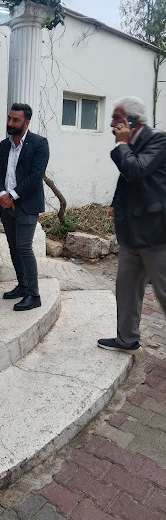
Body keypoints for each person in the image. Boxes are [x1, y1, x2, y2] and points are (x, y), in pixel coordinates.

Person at [98, 97, 166, 353]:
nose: (111, 124)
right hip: (131, 234)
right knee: (126, 291)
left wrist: (122, 145)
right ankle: (126, 339)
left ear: (132, 120)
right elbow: (126, 179)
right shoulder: (130, 145)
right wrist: (116, 203)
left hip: (156, 235)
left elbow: (136, 170)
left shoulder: (158, 140)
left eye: (116, 118)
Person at [0, 103, 49, 311]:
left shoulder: (39, 143)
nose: (10, 123)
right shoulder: (4, 145)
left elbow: (36, 176)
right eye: (9, 118)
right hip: (6, 205)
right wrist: (2, 194)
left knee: (24, 248)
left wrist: (13, 196)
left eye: (16, 120)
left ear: (27, 122)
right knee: (14, 247)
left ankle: (34, 295)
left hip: (26, 205)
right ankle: (23, 285)